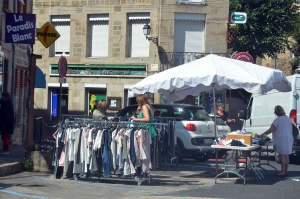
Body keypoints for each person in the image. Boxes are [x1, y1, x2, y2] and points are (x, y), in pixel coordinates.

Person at [261, 105, 294, 177]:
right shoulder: (288, 119)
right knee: (286, 155)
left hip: (281, 139)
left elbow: (271, 129)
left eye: (275, 111)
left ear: (277, 112)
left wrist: (262, 134)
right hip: (289, 138)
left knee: (282, 155)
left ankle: (282, 171)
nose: (274, 113)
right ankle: (286, 171)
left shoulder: (278, 120)